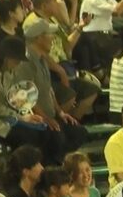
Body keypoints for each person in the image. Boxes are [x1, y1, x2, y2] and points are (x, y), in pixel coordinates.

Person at [14, 19, 87, 165]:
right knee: (57, 138)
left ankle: (61, 165)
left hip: (50, 115)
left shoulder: (43, 59)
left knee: (79, 132)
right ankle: (51, 169)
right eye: (49, 34)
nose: (53, 37)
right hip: (36, 119)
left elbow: (49, 90)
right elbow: (24, 97)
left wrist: (60, 112)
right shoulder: (25, 62)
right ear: (38, 38)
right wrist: (45, 118)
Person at [0, 36, 51, 153]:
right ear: (6, 58)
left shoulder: (7, 72)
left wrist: (26, 114)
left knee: (45, 134)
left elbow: (11, 99)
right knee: (28, 138)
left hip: (7, 119)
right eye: (16, 61)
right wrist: (20, 117)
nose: (18, 64)